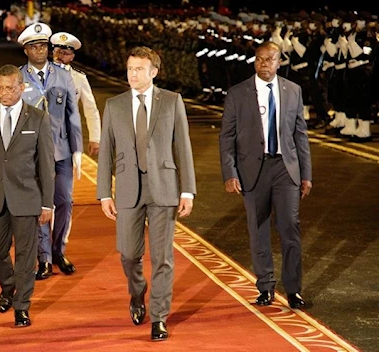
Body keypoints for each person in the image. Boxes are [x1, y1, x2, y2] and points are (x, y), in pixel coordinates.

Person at [96, 46, 197, 341]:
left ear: (154, 72)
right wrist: (104, 192)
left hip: (164, 188)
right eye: (130, 69)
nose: (133, 74)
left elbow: (183, 147)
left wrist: (187, 190)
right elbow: (106, 154)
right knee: (128, 255)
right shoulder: (114, 105)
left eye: (139, 69)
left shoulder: (172, 101)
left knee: (163, 257)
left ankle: (159, 317)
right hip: (127, 190)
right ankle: (137, 292)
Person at [219, 41, 312, 310]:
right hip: (252, 171)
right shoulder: (238, 93)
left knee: (290, 228)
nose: (264, 64)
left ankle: (293, 290)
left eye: (270, 60)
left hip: (286, 169)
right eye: (260, 59)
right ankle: (266, 286)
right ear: (254, 60)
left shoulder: (293, 91)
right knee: (257, 229)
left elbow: (300, 135)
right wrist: (230, 172)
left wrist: (306, 174)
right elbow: (226, 136)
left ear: (279, 62)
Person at [0, 64, 55, 327]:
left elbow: (46, 165)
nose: (3, 93)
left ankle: (22, 306)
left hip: (27, 198)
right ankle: (8, 286)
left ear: (21, 87)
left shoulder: (38, 118)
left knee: (26, 256)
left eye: (9, 87)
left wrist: (47, 203)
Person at [17, 22, 83, 280]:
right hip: (32, 153)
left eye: (43, 45)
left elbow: (72, 113)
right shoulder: (19, 77)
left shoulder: (63, 74)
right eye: (34, 47)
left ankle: (58, 251)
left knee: (65, 201)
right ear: (26, 51)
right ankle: (43, 258)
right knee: (40, 205)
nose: (40, 50)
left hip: (61, 149)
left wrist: (77, 149)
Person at [50, 31, 101, 156]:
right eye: (58, 51)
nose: (60, 56)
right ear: (52, 53)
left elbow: (91, 109)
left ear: (72, 57)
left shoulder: (79, 78)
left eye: (65, 53)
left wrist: (95, 138)